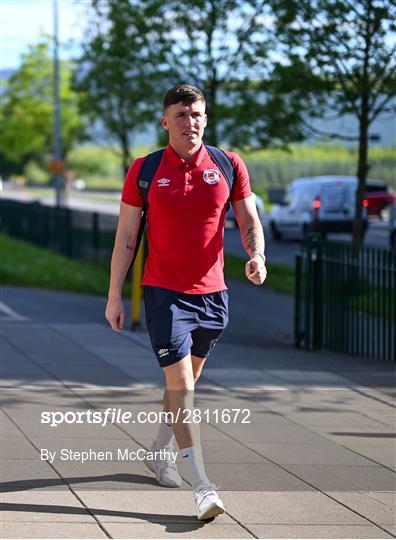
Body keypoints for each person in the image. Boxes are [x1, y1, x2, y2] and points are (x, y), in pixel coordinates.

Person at [105, 84, 266, 521]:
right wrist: (115, 294)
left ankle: (159, 452)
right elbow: (126, 238)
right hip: (163, 294)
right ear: (165, 121)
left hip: (213, 296)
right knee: (184, 390)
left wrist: (257, 256)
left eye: (196, 114)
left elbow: (249, 218)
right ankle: (202, 486)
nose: (189, 122)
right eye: (180, 115)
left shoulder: (228, 165)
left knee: (184, 388)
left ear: (206, 119)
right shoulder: (145, 169)